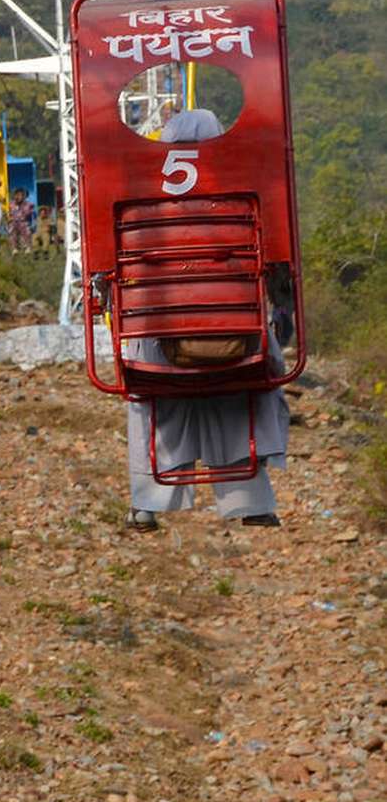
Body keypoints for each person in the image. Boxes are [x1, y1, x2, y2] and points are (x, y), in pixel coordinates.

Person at [123, 108, 287, 530]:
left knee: (151, 396)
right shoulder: (244, 198)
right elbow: (277, 267)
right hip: (238, 344)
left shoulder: (140, 202)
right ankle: (252, 503)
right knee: (246, 387)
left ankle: (146, 505)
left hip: (160, 349)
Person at [6, 187, 36, 255]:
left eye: (20, 195)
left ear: (23, 196)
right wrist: (10, 218)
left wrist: (21, 208)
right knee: (12, 228)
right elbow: (10, 214)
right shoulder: (11, 204)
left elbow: (27, 214)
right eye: (16, 195)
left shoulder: (28, 204)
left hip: (23, 222)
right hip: (14, 222)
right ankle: (14, 248)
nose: (18, 197)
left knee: (24, 227)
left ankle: (27, 246)